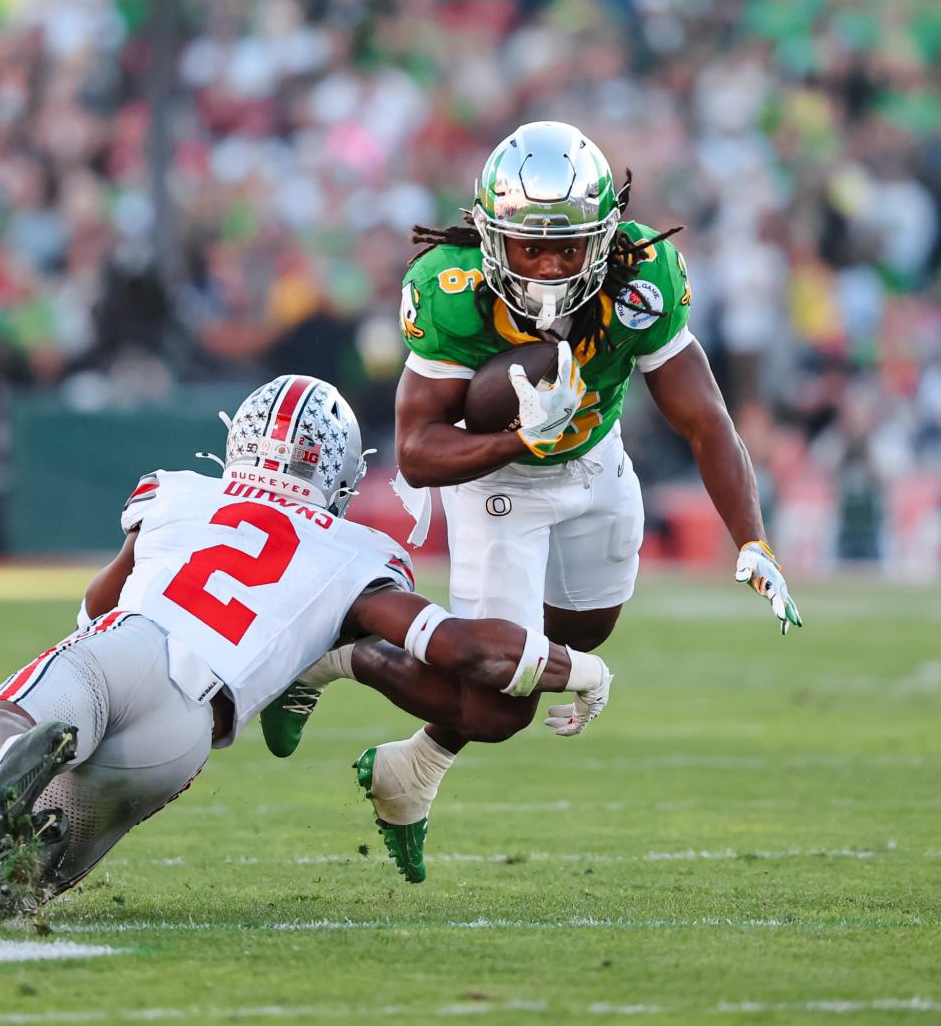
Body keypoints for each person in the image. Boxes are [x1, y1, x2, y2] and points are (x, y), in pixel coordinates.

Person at [260, 122, 801, 883]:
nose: (548, 265)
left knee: (586, 627)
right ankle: (340, 655)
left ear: (604, 239)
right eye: (529, 246)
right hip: (496, 483)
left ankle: (412, 768)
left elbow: (703, 417)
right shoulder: (450, 289)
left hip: (597, 460)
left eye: (566, 246)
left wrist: (753, 537)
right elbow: (417, 449)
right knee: (502, 702)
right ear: (490, 236)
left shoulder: (645, 277)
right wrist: (516, 440)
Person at [0, 374, 615, 921]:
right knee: (48, 853)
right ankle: (36, 853)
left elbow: (94, 610)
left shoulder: (177, 492)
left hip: (132, 647)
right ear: (342, 473)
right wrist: (580, 666)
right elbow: (465, 652)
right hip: (188, 732)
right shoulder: (357, 554)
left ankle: (9, 758)